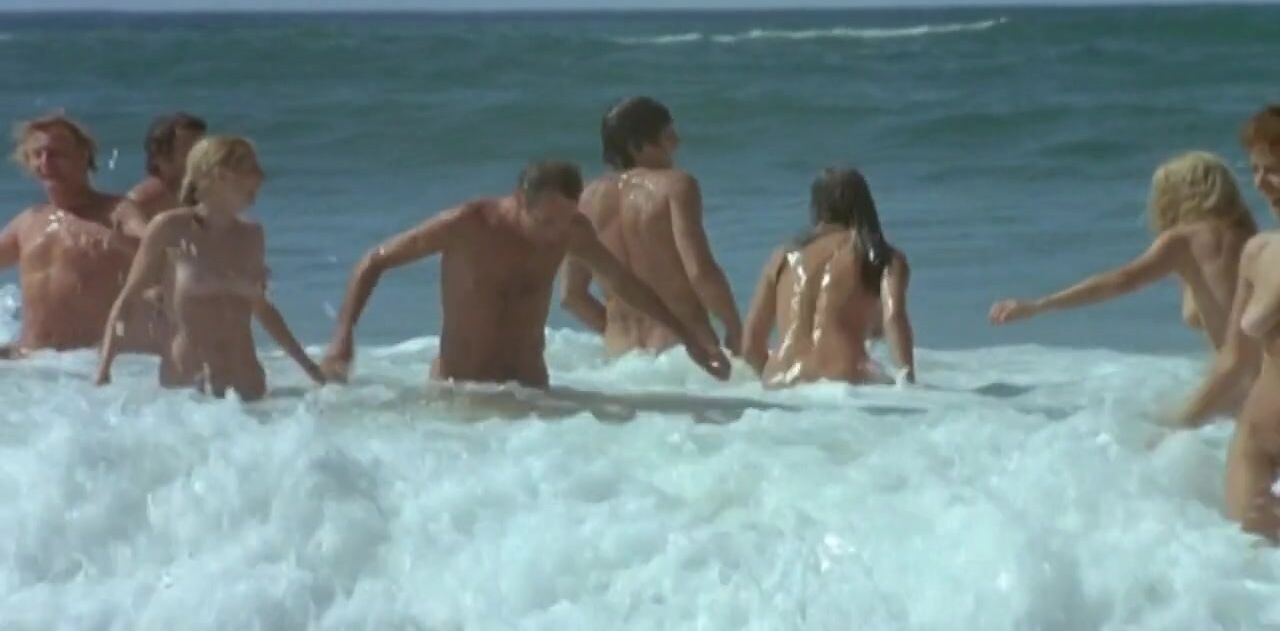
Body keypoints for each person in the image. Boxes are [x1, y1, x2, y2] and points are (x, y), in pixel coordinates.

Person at [320, 160, 731, 389]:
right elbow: (375, 260)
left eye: (566, 218)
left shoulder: (572, 231)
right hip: (461, 392)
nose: (556, 233)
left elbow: (624, 283)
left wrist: (690, 338)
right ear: (520, 200)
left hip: (531, 389)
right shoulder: (467, 225)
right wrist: (343, 334)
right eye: (546, 221)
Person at [95, 135, 324, 401]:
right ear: (220, 175)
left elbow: (262, 309)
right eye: (251, 168)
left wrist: (311, 369)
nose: (262, 177)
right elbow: (128, 300)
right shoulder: (170, 228)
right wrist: (104, 371)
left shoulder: (252, 234)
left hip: (248, 385)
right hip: (187, 392)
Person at [990, 151, 1258, 351]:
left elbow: (1121, 281)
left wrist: (1039, 305)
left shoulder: (1185, 240)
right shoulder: (1250, 238)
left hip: (1248, 382)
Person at [561, 97, 741, 358]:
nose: (677, 143)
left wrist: (612, 331)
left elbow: (572, 296)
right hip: (680, 352)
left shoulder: (583, 200)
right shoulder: (676, 185)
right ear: (637, 146)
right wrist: (735, 329)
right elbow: (699, 271)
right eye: (668, 136)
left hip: (622, 359)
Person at [1176, 105, 1280, 540]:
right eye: (1255, 170)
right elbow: (1235, 360)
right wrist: (1177, 426)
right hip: (1255, 442)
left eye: (1274, 170)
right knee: (1241, 560)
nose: (1261, 183)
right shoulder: (1257, 252)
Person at [0, 112, 160, 358]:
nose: (45, 162)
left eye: (56, 154)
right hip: (31, 362)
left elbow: (161, 251)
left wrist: (117, 243)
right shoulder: (28, 221)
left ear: (83, 155)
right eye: (37, 154)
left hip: (85, 364)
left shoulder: (116, 211)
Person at [741, 167, 914, 387]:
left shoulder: (783, 257)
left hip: (779, 380)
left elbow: (750, 346)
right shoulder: (882, 257)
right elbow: (894, 318)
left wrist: (775, 381)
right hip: (842, 379)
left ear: (816, 205)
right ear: (865, 204)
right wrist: (908, 381)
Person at [126, 112, 207, 220]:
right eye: (190, 151)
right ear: (159, 157)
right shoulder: (140, 202)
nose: (202, 157)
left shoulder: (208, 194)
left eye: (205, 151)